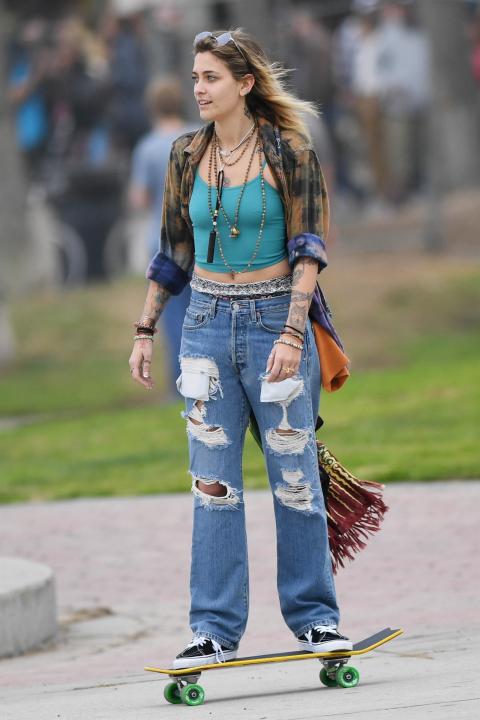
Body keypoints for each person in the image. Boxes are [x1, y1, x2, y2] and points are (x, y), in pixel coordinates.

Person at [128, 28, 352, 669]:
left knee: (294, 478)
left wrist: (292, 332)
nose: (199, 89)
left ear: (245, 84)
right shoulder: (185, 154)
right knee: (213, 486)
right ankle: (213, 630)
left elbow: (309, 250)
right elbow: (174, 252)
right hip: (203, 325)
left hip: (274, 318)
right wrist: (145, 330)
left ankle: (316, 621)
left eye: (212, 78)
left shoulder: (290, 152)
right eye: (195, 78)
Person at [129, 77, 194, 397]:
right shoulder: (196, 135)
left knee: (173, 320)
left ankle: (181, 386)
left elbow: (139, 198)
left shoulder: (147, 147)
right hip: (199, 240)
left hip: (163, 243)